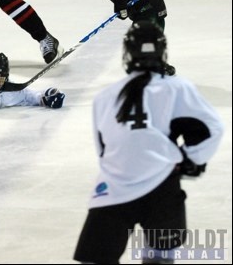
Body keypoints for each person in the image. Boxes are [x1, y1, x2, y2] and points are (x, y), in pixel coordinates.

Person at [73, 21, 223, 264]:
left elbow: (103, 149)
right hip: (162, 187)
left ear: (127, 54)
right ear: (162, 53)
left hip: (115, 187)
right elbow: (211, 129)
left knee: (96, 258)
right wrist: (189, 160)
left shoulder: (105, 97)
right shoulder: (176, 88)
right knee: (160, 258)